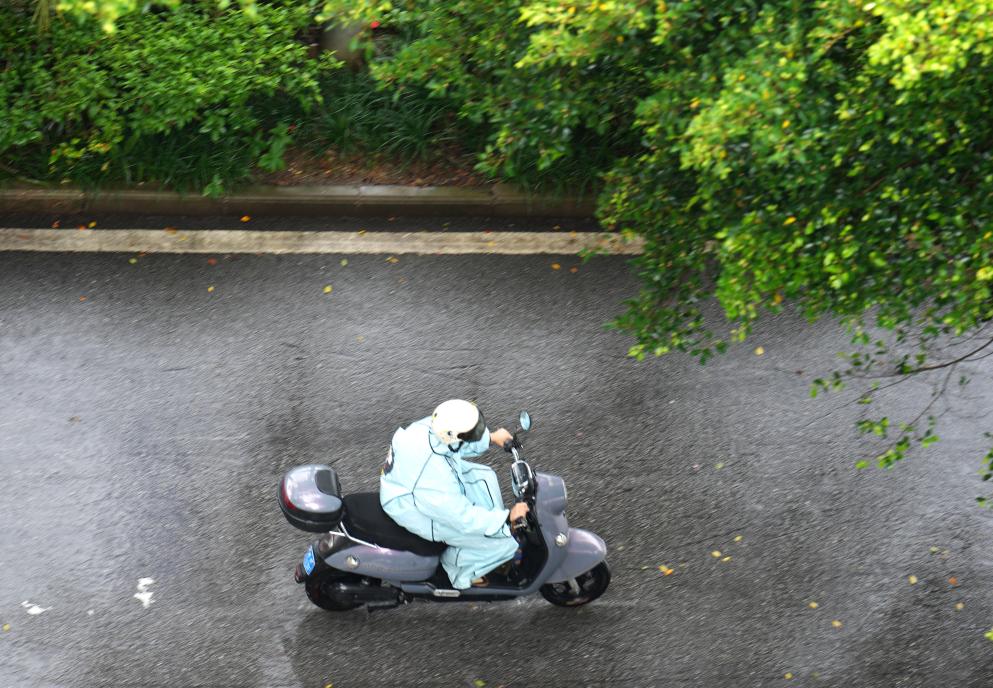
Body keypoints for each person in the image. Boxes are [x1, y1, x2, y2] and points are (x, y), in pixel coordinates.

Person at [380, 399, 529, 589]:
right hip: (414, 509)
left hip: (409, 485)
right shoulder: (433, 475)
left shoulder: (430, 426)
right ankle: (457, 570)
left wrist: (490, 438)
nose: (478, 431)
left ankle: (481, 544)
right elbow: (460, 517)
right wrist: (506, 521)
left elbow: (456, 442)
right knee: (505, 542)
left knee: (485, 477)